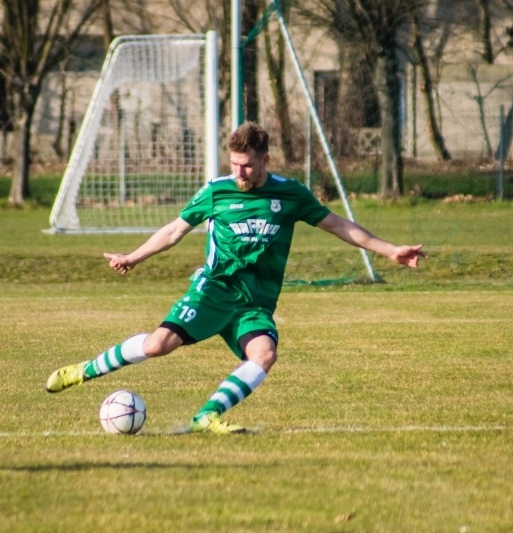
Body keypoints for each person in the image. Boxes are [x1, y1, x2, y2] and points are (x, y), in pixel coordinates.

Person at [46, 121, 426, 434]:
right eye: (234, 164)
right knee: (157, 345)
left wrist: (389, 250)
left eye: (246, 165)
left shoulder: (290, 194)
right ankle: (83, 370)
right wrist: (134, 257)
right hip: (214, 290)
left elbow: (339, 225)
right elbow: (175, 229)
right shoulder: (217, 191)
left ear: (265, 160)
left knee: (265, 355)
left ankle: (205, 416)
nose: (239, 172)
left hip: (255, 302)